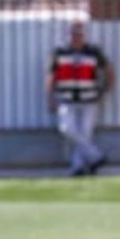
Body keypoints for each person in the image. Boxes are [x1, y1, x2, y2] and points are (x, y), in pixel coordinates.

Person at [46, 20, 113, 176]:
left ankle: (78, 168)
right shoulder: (60, 52)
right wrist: (50, 97)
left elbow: (109, 70)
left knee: (85, 132)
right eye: (74, 34)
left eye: (80, 34)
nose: (77, 37)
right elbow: (51, 76)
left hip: (89, 99)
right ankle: (95, 156)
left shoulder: (93, 52)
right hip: (66, 98)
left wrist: (105, 89)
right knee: (67, 128)